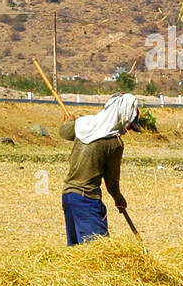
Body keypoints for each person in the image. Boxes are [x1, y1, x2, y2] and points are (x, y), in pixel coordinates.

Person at [59, 92, 143, 245]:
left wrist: (69, 122)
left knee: (76, 253)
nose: (128, 130)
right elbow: (111, 181)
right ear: (122, 117)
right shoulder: (114, 142)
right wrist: (118, 198)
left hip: (69, 196)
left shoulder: (84, 124)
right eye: (130, 125)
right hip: (87, 199)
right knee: (99, 252)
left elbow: (64, 132)